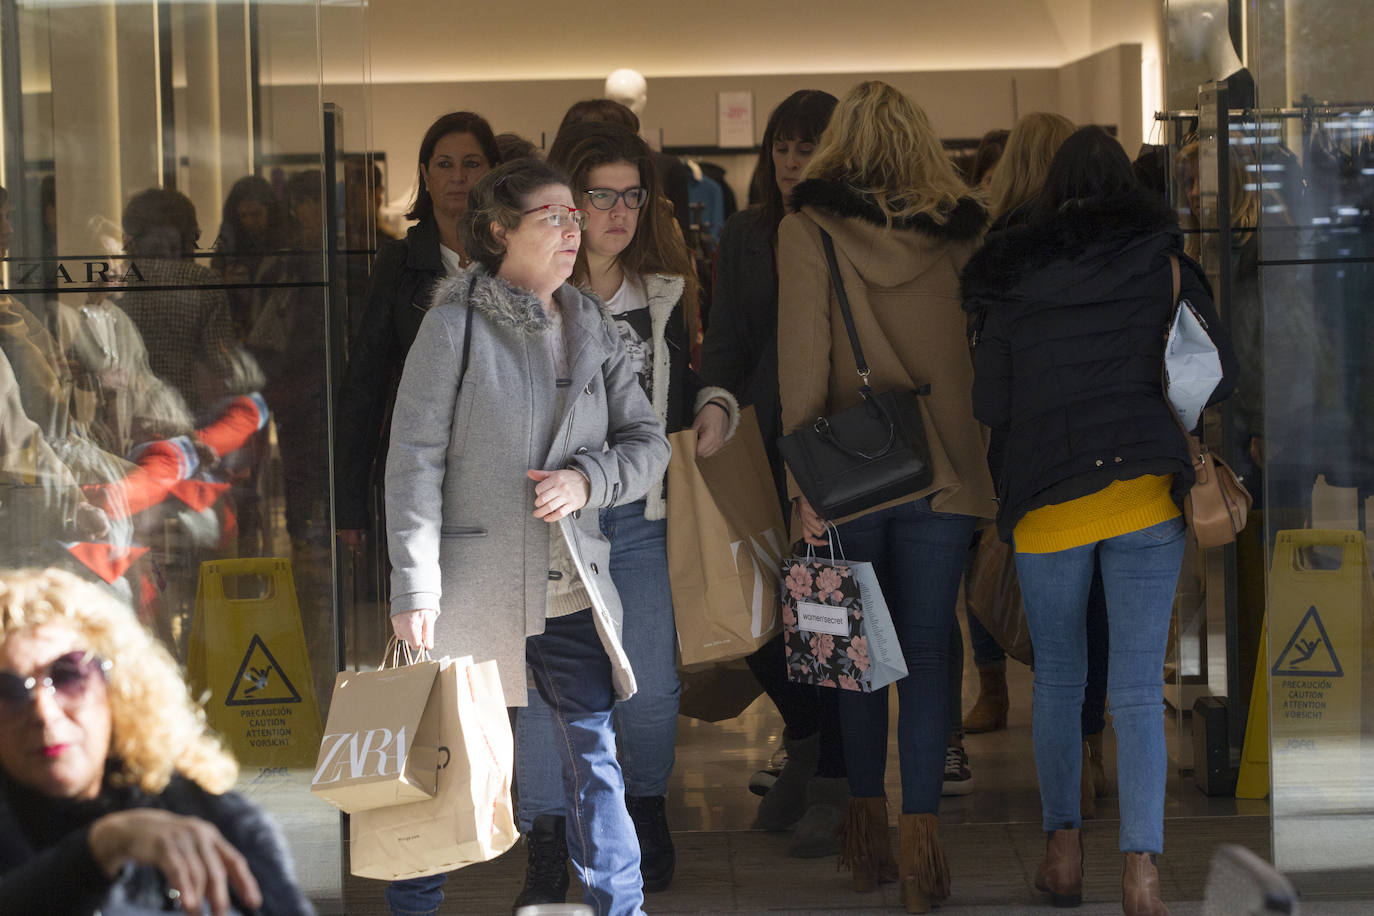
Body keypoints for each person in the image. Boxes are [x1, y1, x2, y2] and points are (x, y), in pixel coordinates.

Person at [961, 125, 1237, 915]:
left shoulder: (1013, 279)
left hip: (1049, 500)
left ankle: (1062, 852)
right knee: (1138, 692)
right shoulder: (1165, 267)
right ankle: (1143, 873)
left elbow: (990, 403)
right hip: (1146, 492)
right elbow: (1214, 374)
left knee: (1059, 679)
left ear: (1051, 193)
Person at [385, 157, 670, 916]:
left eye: (575, 216)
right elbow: (412, 460)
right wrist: (413, 586)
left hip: (571, 582)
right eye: (554, 217)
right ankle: (413, 908)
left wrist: (588, 479)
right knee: (444, 766)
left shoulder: (595, 328)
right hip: (471, 585)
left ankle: (623, 908)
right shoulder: (454, 326)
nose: (573, 229)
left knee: (595, 761)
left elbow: (649, 444)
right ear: (499, 230)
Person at [501, 120, 738, 905]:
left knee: (653, 684)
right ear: (569, 202)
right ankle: (544, 836)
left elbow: (681, 381)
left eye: (632, 196)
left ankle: (643, 806)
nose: (617, 212)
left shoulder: (659, 293)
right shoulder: (525, 296)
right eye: (599, 195)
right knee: (542, 693)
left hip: (638, 515)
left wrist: (713, 404)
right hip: (546, 520)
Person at [776, 81, 995, 913]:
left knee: (857, 658)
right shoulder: (964, 238)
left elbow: (804, 366)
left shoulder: (807, 232)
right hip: (950, 469)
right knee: (931, 650)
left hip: (856, 471)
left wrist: (805, 486)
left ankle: (865, 841)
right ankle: (924, 843)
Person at [698, 88, 851, 858]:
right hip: (755, 444)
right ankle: (808, 738)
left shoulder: (848, 228)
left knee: (825, 611)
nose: (793, 162)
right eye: (783, 148)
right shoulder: (749, 233)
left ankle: (831, 779)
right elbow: (724, 340)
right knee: (759, 617)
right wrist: (713, 413)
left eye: (808, 148)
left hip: (836, 446)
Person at [0, 567, 314, 915]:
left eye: (68, 675)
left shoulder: (209, 817)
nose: (44, 713)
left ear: (116, 686)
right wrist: (102, 846)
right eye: (8, 692)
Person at [334, 111, 500, 549]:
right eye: (444, 164)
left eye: (472, 164)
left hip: (503, 465)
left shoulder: (515, 258)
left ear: (493, 173)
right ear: (425, 176)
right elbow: (365, 384)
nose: (458, 177)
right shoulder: (399, 263)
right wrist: (350, 504)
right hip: (421, 463)